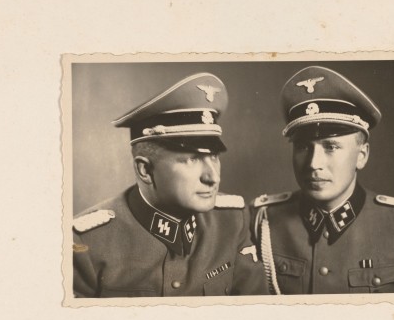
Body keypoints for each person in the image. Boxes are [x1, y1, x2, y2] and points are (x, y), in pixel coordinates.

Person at [251, 65, 394, 294]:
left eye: (331, 147)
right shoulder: (263, 218)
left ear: (361, 156)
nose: (313, 163)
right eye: (303, 147)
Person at [73, 72, 265, 298]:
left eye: (213, 156)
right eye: (192, 159)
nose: (213, 177)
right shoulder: (87, 243)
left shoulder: (231, 222)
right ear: (145, 170)